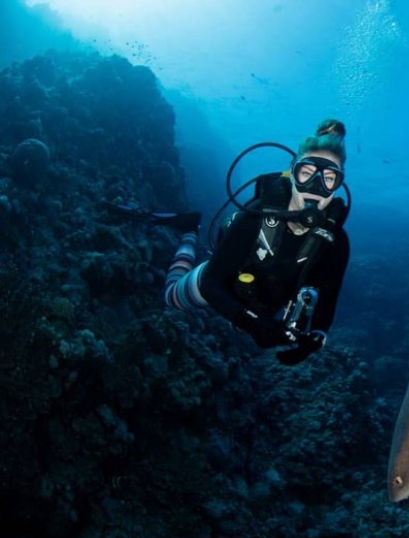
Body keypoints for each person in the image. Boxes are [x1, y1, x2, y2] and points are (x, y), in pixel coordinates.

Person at [131, 119, 350, 365]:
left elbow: (328, 299)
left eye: (329, 178)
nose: (315, 187)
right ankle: (190, 229)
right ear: (292, 173)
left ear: (338, 185)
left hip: (263, 303)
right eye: (306, 173)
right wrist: (251, 324)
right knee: (171, 297)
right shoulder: (256, 215)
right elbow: (211, 282)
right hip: (224, 284)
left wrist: (315, 339)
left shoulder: (335, 242)